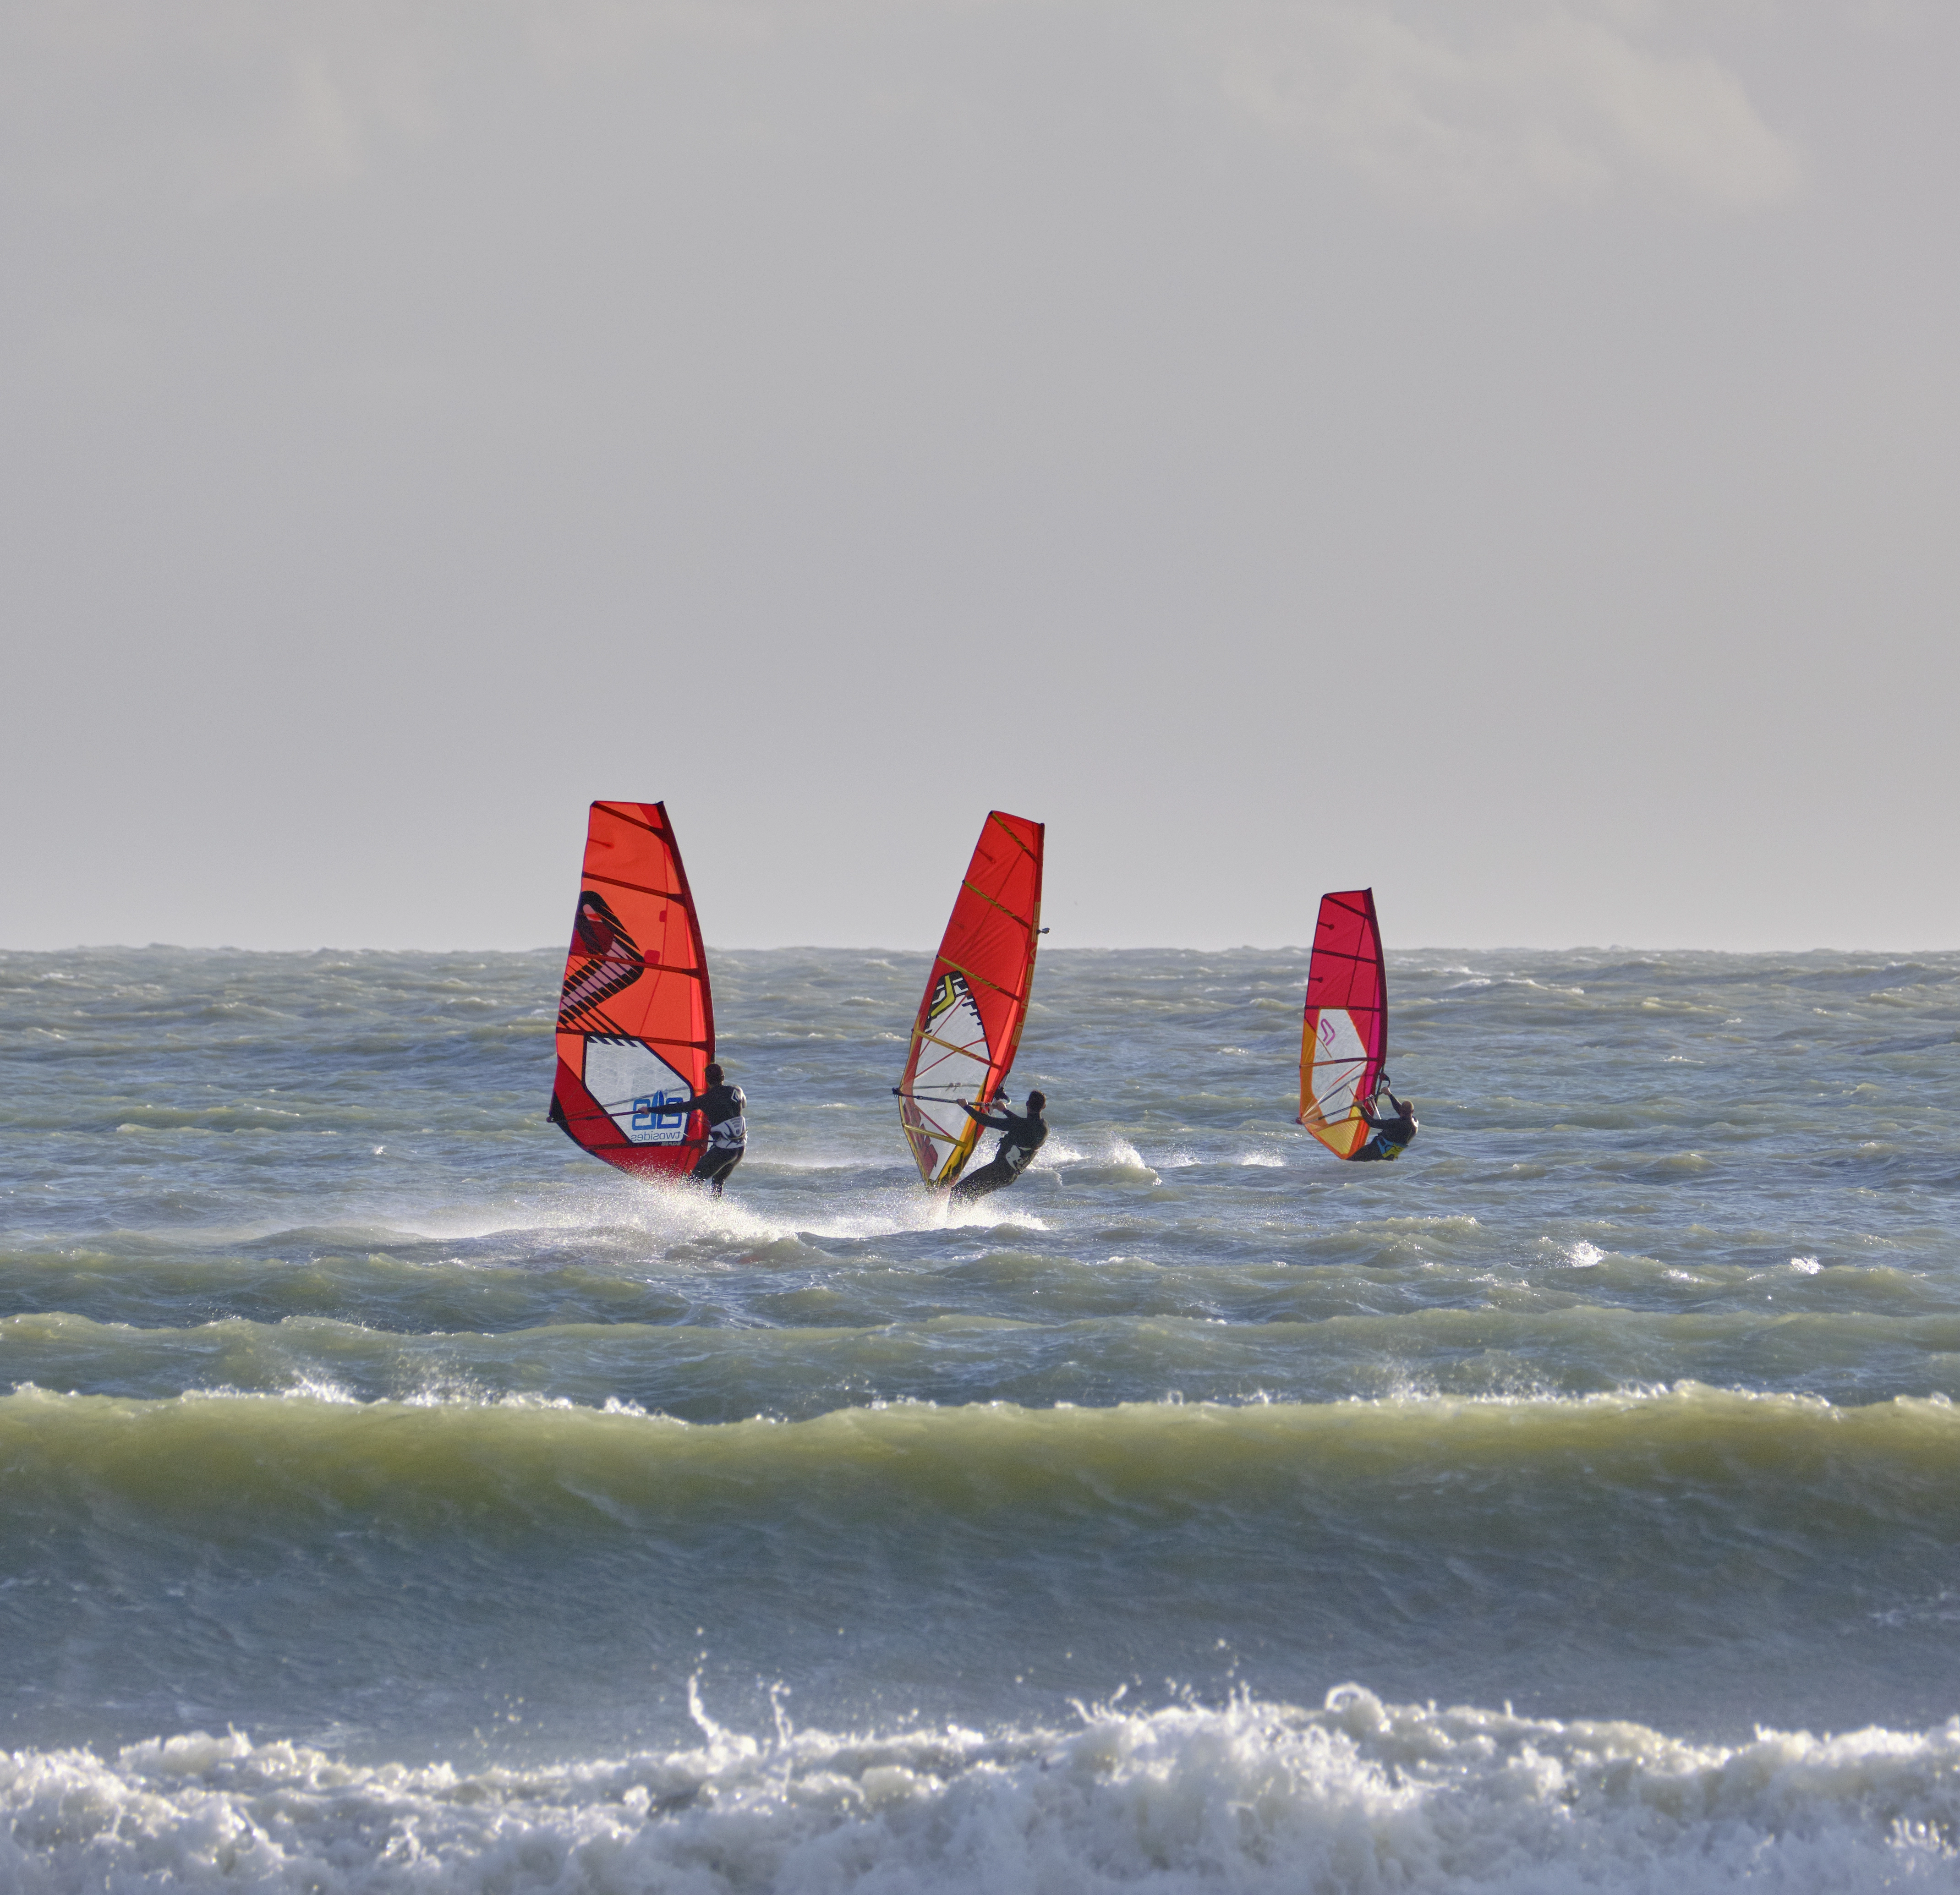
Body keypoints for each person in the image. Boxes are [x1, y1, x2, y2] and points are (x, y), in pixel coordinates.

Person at [949, 1090, 1048, 1202]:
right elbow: (1023, 1124)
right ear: (1044, 1106)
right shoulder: (1044, 1127)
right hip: (1010, 1177)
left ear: (1027, 1104)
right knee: (971, 1195)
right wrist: (1005, 1110)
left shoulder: (1019, 1125)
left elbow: (985, 1120)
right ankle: (964, 1218)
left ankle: (950, 1219)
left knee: (957, 1192)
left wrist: (966, 1106)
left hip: (996, 1172)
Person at [670, 1063, 747, 1195]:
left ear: (706, 1080)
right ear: (723, 1077)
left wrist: (649, 1110)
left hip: (724, 1150)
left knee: (694, 1182)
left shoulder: (705, 1100)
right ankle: (716, 1211)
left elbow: (677, 1108)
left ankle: (693, 1212)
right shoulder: (737, 1091)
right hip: (740, 1149)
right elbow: (743, 1104)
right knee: (718, 1182)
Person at [1353, 1079, 1417, 1161]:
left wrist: (1362, 1108)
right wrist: (1390, 1095)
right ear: (1412, 1112)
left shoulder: (1395, 1123)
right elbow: (1401, 1110)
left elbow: (1372, 1123)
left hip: (1375, 1151)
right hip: (1389, 1157)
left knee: (1349, 1162)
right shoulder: (1415, 1123)